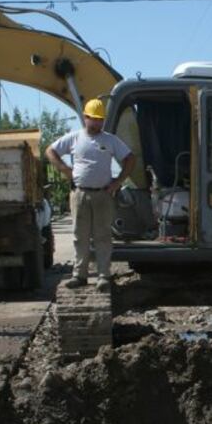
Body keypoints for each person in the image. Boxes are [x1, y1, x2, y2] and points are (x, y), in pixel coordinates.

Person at [46, 98, 136, 292]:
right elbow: (50, 151)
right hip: (80, 194)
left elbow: (130, 158)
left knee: (103, 235)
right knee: (80, 236)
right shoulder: (74, 138)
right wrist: (65, 170)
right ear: (85, 118)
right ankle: (80, 275)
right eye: (93, 119)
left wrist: (118, 182)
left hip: (103, 195)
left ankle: (103, 276)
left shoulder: (110, 140)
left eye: (100, 119)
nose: (97, 123)